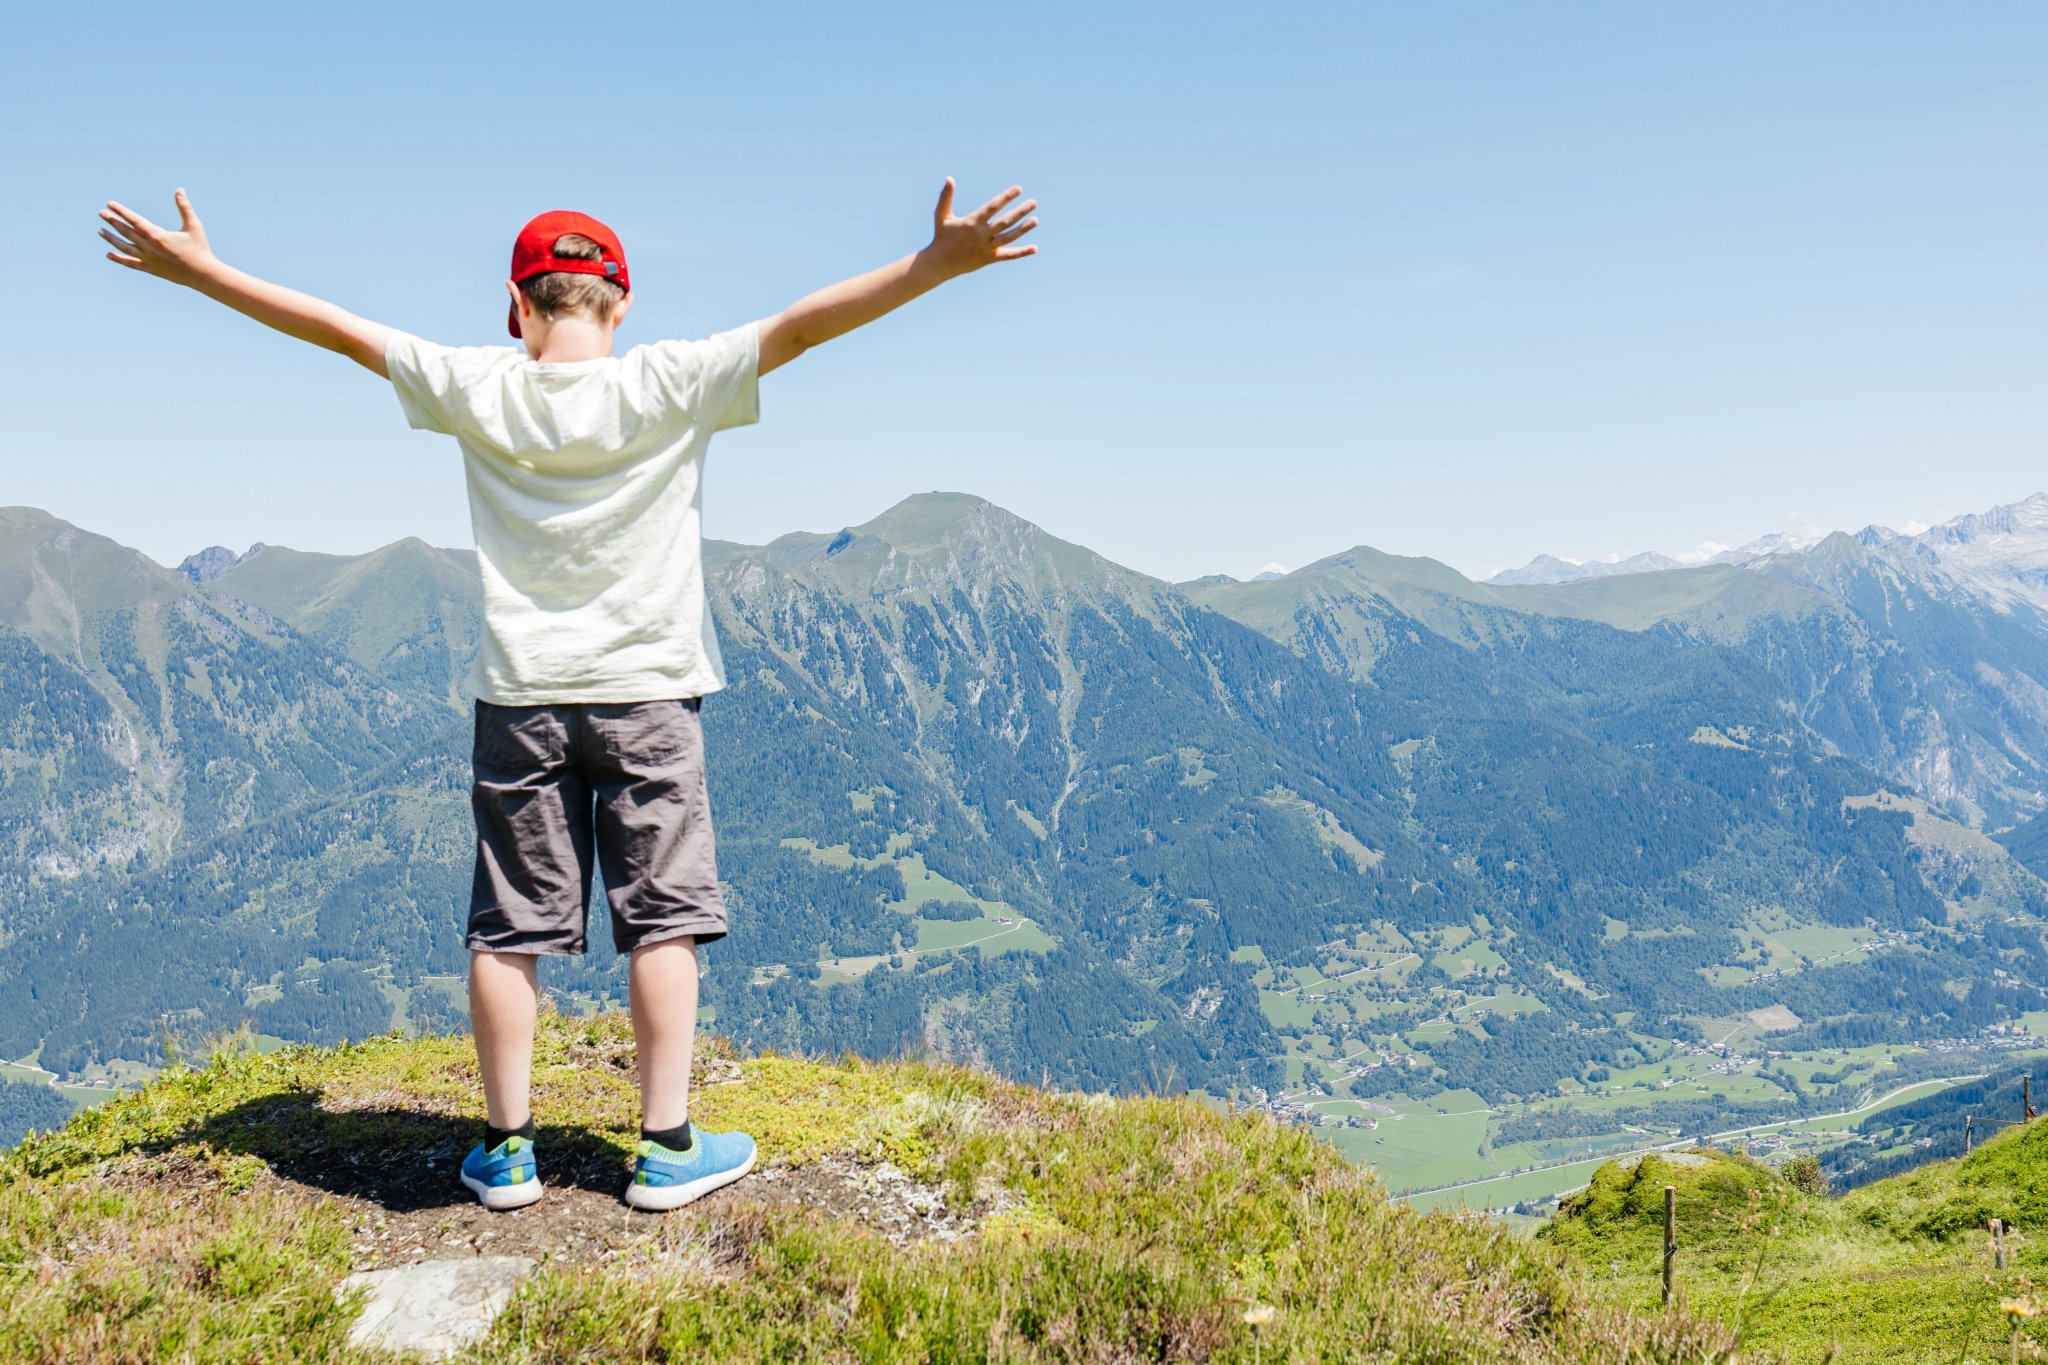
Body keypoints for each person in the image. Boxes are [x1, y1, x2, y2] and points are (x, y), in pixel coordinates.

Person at [97, 178, 1039, 1211]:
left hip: (519, 696)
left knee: (509, 926)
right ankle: (667, 1146)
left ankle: (506, 1153)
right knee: (663, 919)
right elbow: (802, 329)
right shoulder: (669, 382)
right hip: (648, 692)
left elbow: (338, 331)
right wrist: (935, 266)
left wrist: (205, 274)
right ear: (619, 301)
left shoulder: (477, 386)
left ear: (517, 303)